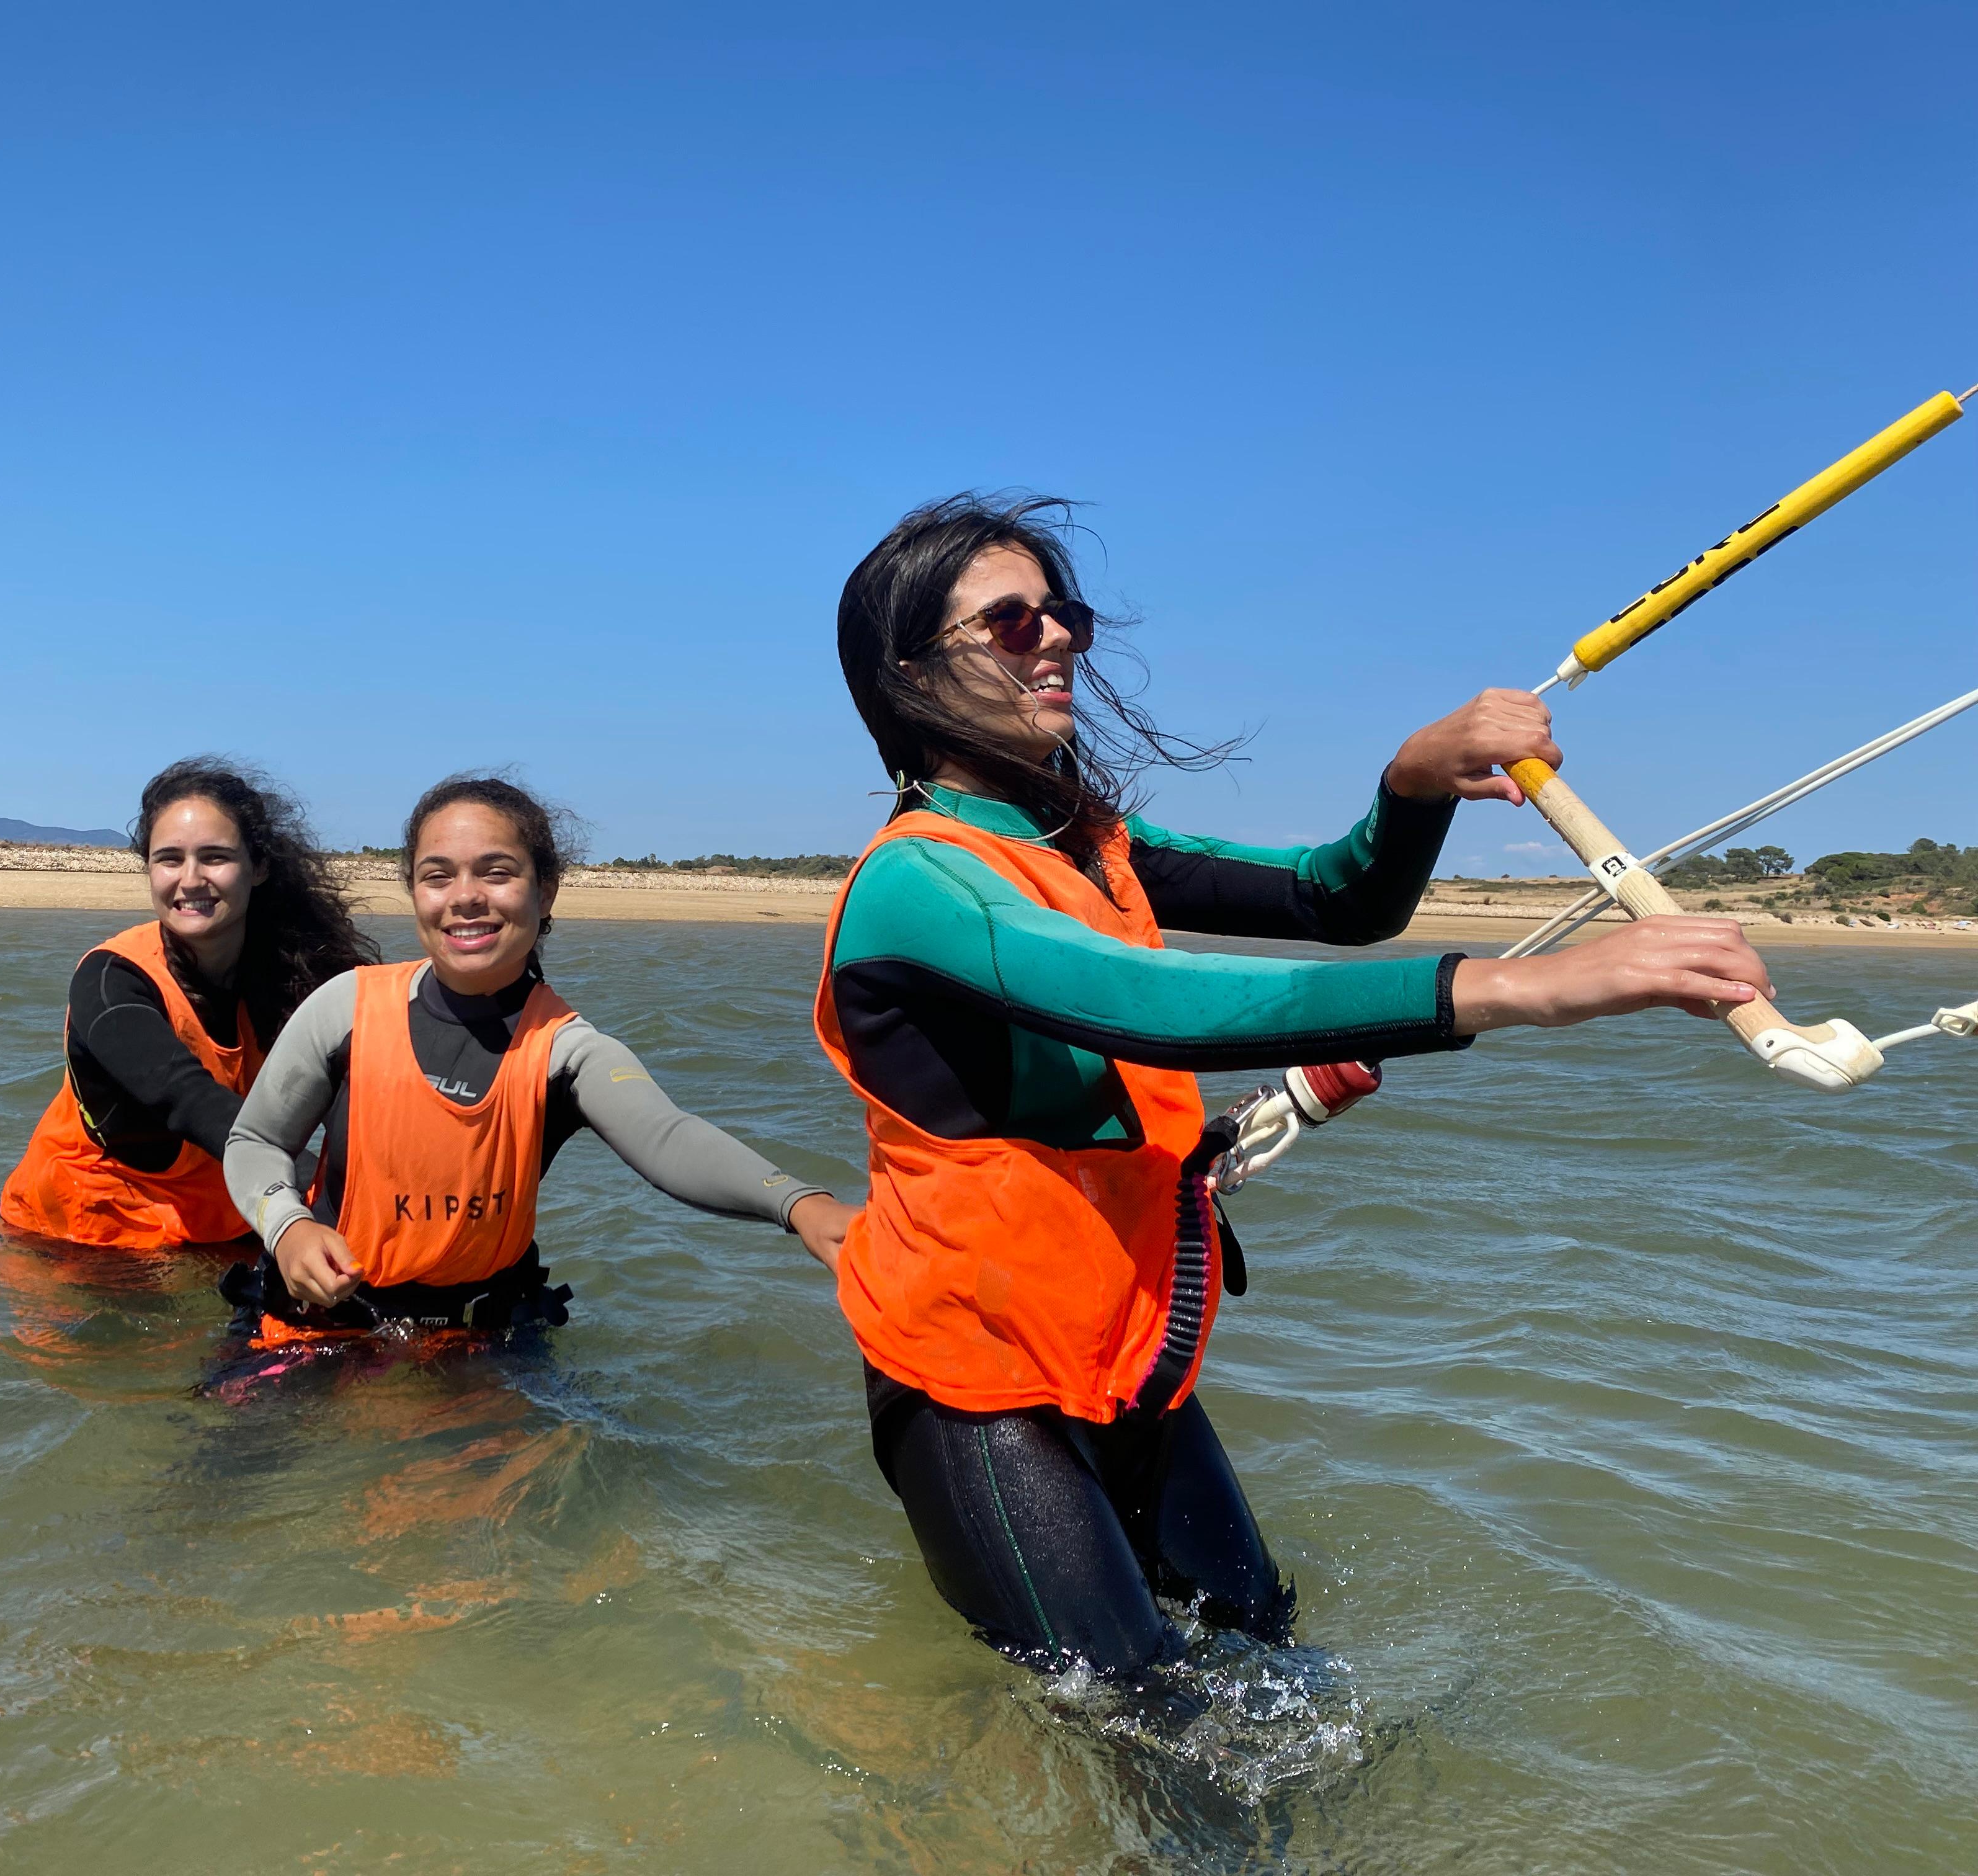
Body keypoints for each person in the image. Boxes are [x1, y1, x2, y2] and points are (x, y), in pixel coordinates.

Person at [819, 494, 1777, 1677]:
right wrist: (1535, 987)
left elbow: (1336, 901)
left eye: (1061, 612)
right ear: (907, 674)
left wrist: (1413, 779)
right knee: (1137, 1709)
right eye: (1010, 622)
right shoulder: (918, 877)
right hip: (972, 1381)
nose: (1057, 636)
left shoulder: (1091, 843)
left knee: (1267, 1652)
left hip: (1119, 1352)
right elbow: (1148, 1005)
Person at [221, 774, 857, 1338]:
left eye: (497, 872)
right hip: (315, 1329)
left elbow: (668, 1137)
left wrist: (799, 1203)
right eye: (438, 875)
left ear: (545, 891)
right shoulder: (347, 1008)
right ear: (414, 892)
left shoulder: (566, 1051)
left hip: (479, 1349)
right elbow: (254, 1141)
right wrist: (289, 1227)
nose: (465, 896)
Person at [0, 759, 375, 1250]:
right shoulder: (111, 982)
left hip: (223, 1215)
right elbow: (190, 1101)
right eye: (170, 859)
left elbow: (372, 1092)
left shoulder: (296, 968)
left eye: (215, 857)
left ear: (259, 866)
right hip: (87, 1237)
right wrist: (297, 1211)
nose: (191, 879)